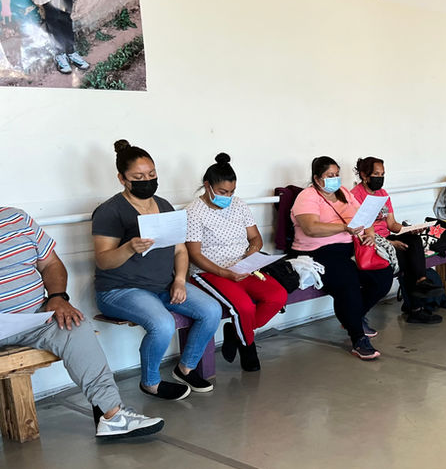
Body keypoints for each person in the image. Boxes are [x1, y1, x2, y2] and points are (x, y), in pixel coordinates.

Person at [0, 206, 164, 438]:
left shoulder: (16, 218)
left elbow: (51, 264)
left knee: (75, 325)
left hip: (36, 317)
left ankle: (113, 416)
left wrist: (57, 296)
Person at [92, 140, 222, 400]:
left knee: (211, 310)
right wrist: (129, 247)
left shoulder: (164, 205)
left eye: (151, 175)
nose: (147, 181)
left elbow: (180, 250)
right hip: (120, 290)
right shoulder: (110, 211)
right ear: (122, 179)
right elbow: (103, 261)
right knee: (162, 324)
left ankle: (185, 369)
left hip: (163, 285)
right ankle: (150, 382)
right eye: (138, 177)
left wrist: (180, 281)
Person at [186, 153, 287, 372]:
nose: (229, 197)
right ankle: (248, 347)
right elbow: (194, 255)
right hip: (209, 272)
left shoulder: (239, 204)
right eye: (223, 192)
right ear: (208, 186)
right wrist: (225, 273)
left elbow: (255, 238)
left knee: (277, 296)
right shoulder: (193, 212)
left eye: (232, 192)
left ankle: (235, 332)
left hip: (243, 267)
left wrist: (252, 254)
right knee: (244, 307)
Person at [290, 156, 393, 360]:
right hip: (317, 252)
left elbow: (364, 217)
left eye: (337, 174)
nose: (335, 179)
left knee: (383, 275)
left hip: (349, 249)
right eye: (330, 175)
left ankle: (352, 316)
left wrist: (370, 235)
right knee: (348, 281)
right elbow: (311, 228)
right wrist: (344, 227)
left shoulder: (344, 192)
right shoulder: (307, 197)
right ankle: (358, 338)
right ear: (317, 178)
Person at [350, 156, 444, 324]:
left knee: (413, 241)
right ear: (364, 175)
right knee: (407, 257)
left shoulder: (383, 194)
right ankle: (416, 309)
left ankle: (421, 282)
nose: (380, 178)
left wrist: (410, 229)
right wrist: (391, 244)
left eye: (383, 174)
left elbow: (392, 224)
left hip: (386, 236)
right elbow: (360, 230)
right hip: (371, 241)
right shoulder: (355, 196)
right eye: (376, 174)